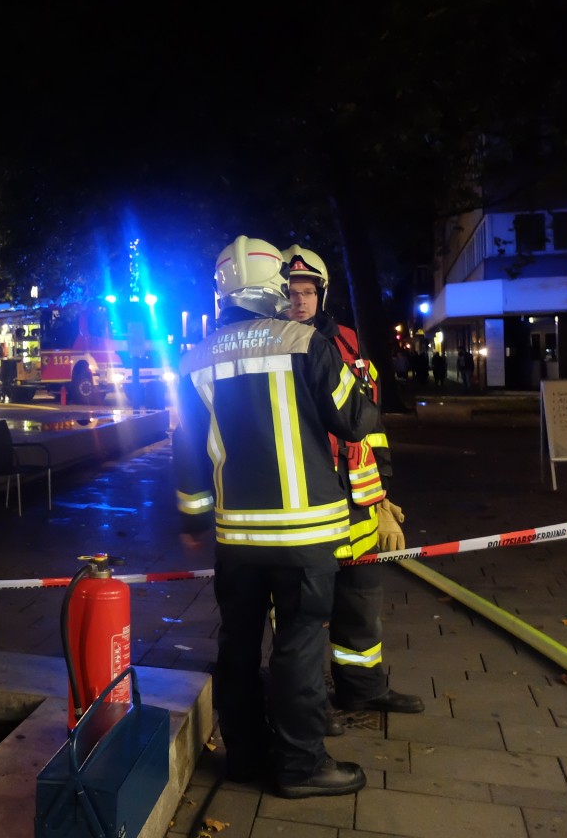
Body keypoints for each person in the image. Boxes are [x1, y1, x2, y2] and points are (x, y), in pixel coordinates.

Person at [174, 236, 380, 799]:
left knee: (237, 644)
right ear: (275, 287)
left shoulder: (195, 358)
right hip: (305, 536)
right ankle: (300, 765)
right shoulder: (305, 342)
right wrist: (358, 371)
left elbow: (187, 450)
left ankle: (243, 757)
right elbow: (357, 420)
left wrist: (194, 522)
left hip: (235, 538)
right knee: (298, 646)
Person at [282, 245, 425, 723]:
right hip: (306, 498)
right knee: (301, 611)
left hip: (358, 500)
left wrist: (383, 495)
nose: (299, 300)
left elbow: (372, 422)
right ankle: (304, 704)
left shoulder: (347, 343)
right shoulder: (273, 341)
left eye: (307, 291)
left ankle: (361, 688)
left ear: (322, 294)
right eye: (291, 291)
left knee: (361, 600)